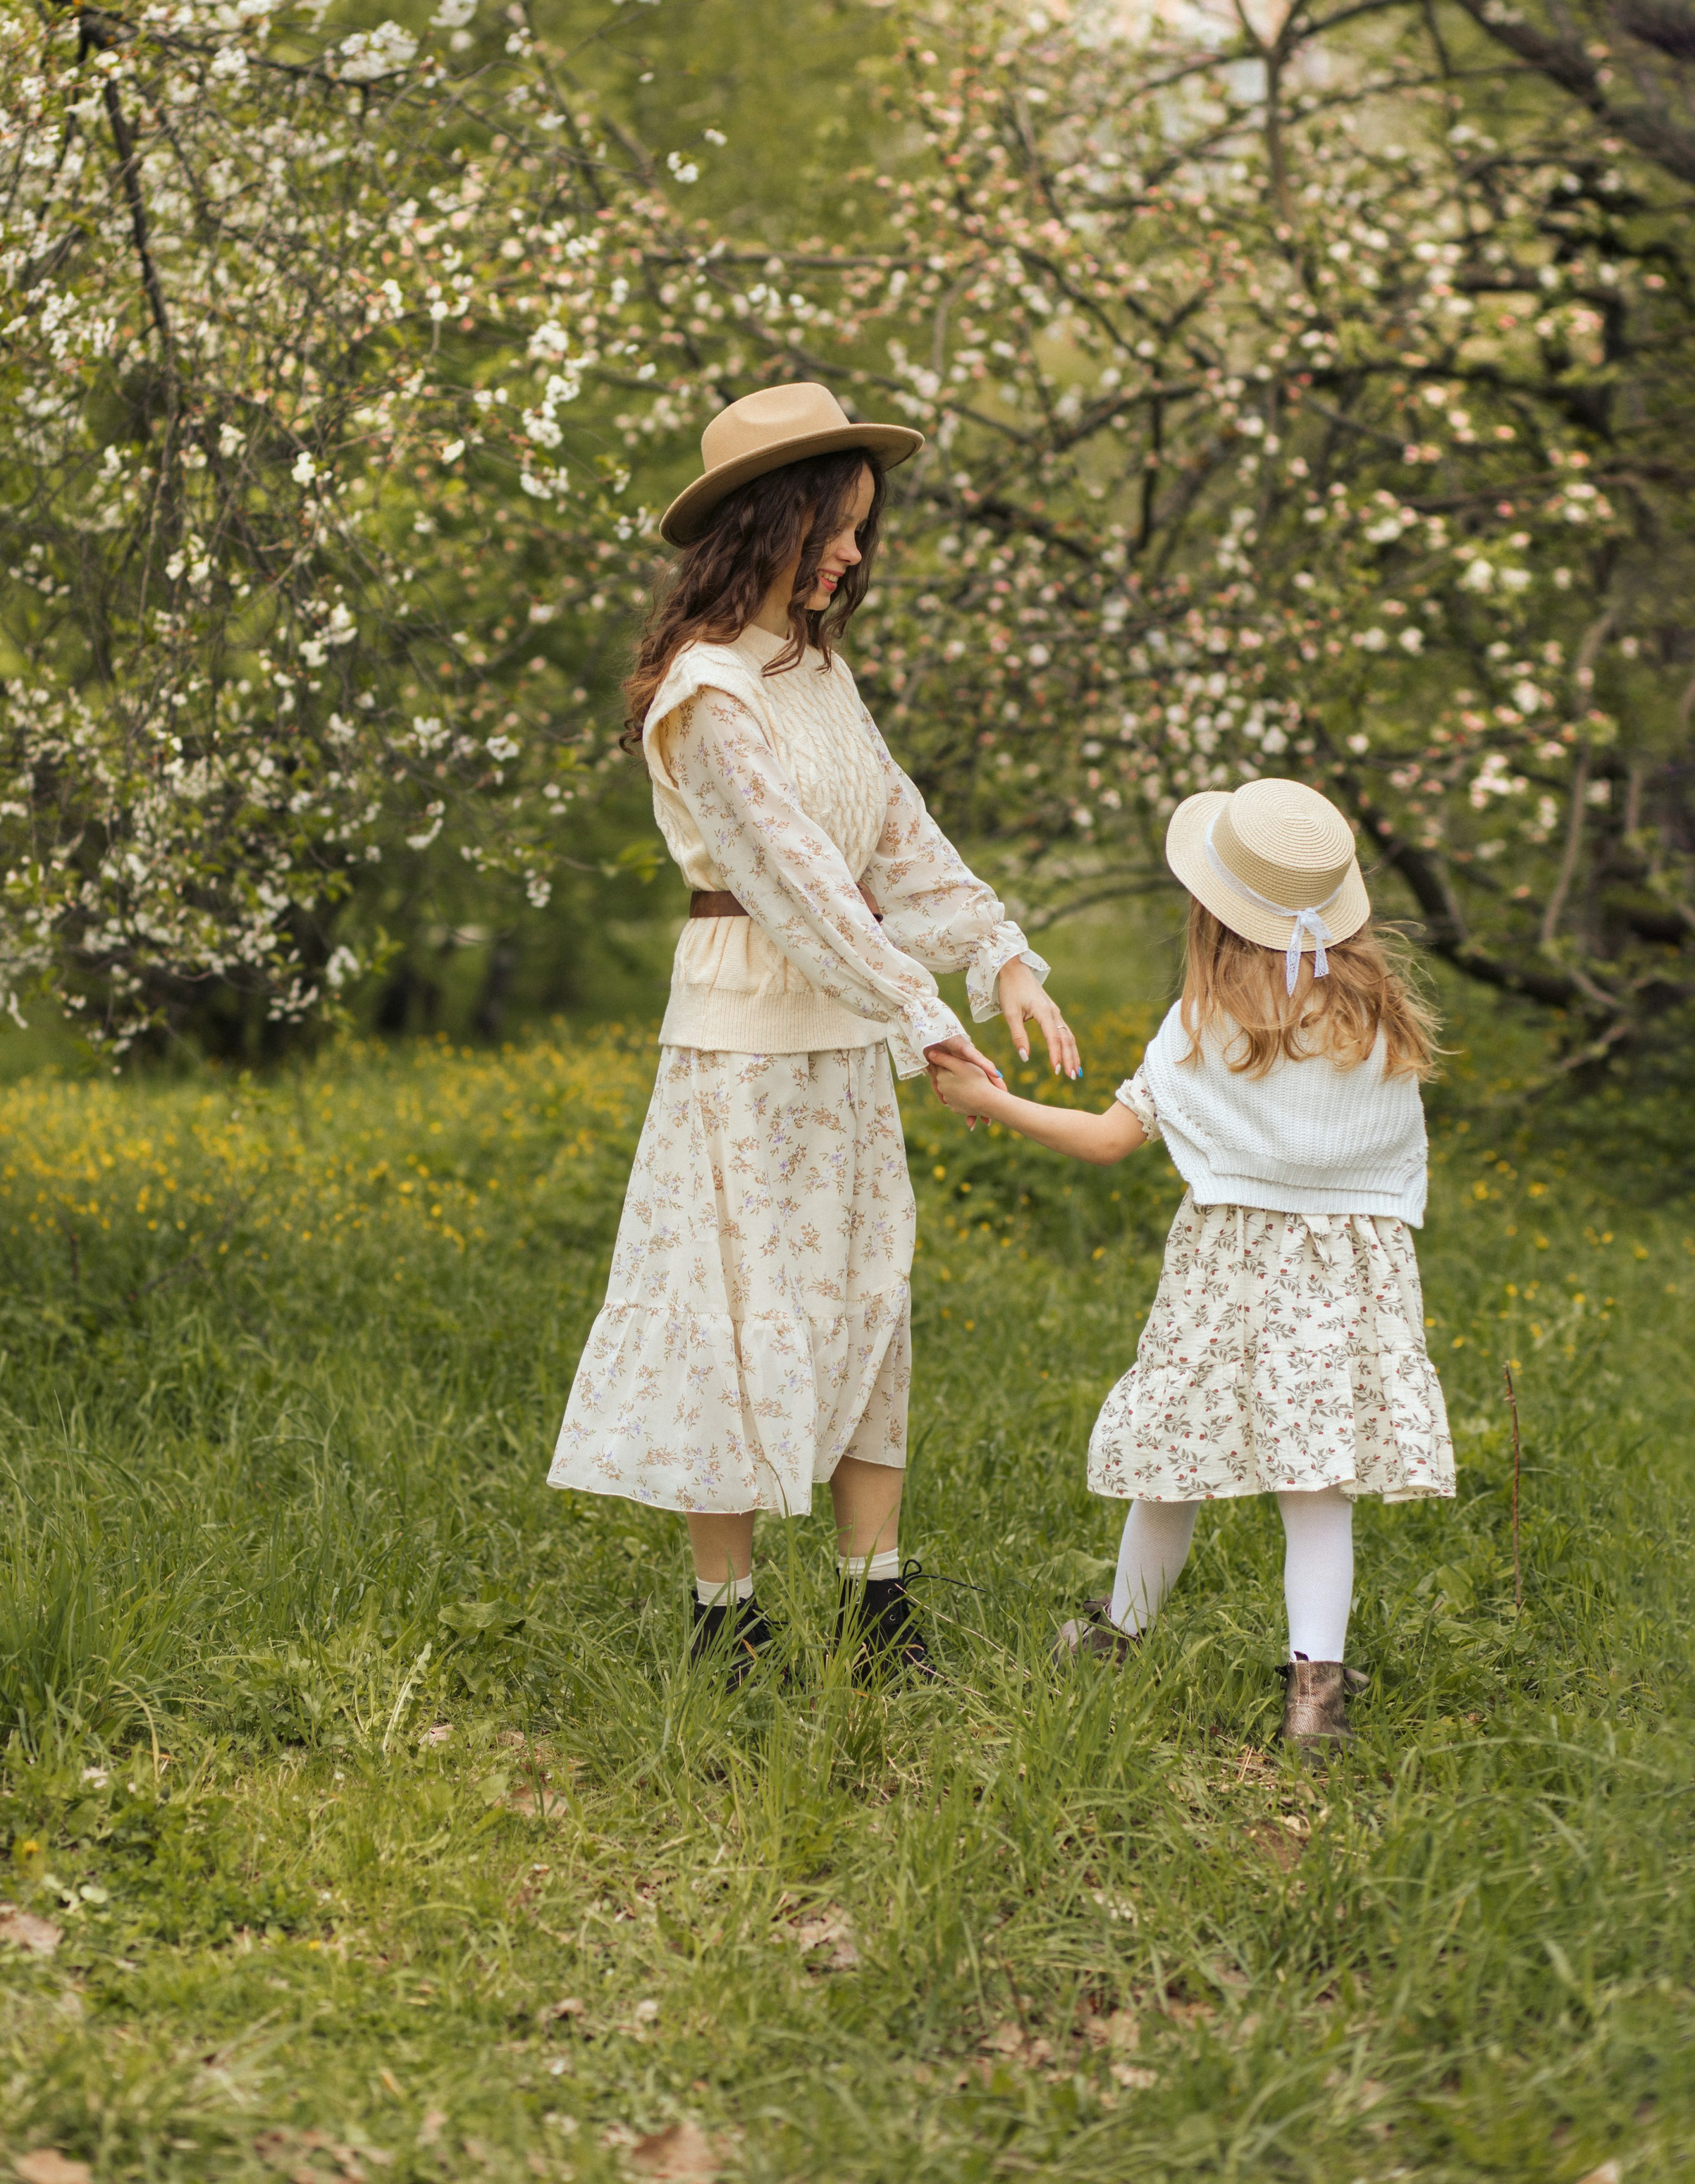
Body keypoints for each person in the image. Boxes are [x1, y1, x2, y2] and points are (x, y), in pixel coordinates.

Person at [547, 380, 1078, 1677]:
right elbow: (794, 883)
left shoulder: (818, 675)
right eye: (834, 525)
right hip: (744, 1043)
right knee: (730, 1312)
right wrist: (917, 1011)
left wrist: (998, 950)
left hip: (841, 1037)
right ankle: (722, 1619)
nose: (852, 551)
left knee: (864, 1300)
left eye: (862, 527)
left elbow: (897, 835)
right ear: (769, 523)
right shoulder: (707, 692)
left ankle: (875, 1602)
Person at [929, 776, 1455, 1746]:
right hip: (1343, 1285)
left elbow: (1105, 1140)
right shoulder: (1376, 1019)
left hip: (1226, 1276)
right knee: (1317, 1488)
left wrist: (991, 1102)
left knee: (1173, 1461)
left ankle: (1118, 1635)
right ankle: (1316, 1695)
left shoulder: (1205, 1022)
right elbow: (1372, 1166)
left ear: (1214, 913)